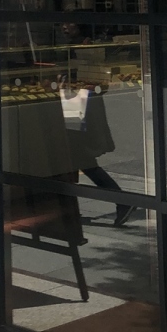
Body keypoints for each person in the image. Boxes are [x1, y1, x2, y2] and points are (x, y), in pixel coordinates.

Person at [61, 82, 136, 226]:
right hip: (74, 121)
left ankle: (123, 201)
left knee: (86, 165)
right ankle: (122, 202)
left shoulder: (78, 88)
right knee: (82, 166)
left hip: (72, 122)